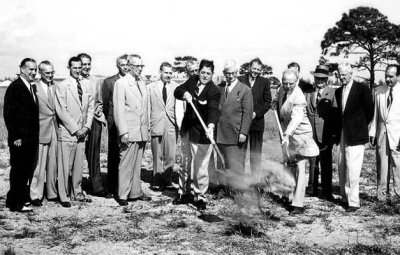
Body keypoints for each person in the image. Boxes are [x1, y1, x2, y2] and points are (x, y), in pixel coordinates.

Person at [173, 59, 221, 210]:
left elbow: (214, 110)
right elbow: (177, 91)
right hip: (187, 130)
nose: (205, 75)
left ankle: (200, 196)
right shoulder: (193, 80)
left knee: (200, 167)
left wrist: (211, 125)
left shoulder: (214, 91)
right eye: (203, 72)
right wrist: (185, 93)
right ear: (199, 72)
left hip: (203, 134)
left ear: (212, 74)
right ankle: (183, 192)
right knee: (184, 163)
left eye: (208, 73)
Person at [272, 69, 319, 215]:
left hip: (300, 135)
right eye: (284, 82)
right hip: (287, 134)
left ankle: (298, 204)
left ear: (296, 81)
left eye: (290, 83)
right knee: (289, 164)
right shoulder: (282, 88)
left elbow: (297, 119)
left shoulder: (299, 97)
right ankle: (288, 196)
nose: (287, 86)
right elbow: (279, 96)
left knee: (300, 167)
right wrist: (274, 102)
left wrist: (287, 134)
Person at [333, 62, 374, 212]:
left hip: (356, 134)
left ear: (351, 74)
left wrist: (360, 126)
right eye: (339, 74)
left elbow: (370, 111)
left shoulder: (362, 89)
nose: (341, 77)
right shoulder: (338, 91)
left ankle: (354, 202)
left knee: (353, 168)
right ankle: (344, 197)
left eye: (344, 74)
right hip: (344, 133)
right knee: (342, 165)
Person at [55, 56, 94, 207]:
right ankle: (64, 196)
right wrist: (76, 129)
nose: (78, 70)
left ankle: (77, 192)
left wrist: (87, 127)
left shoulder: (87, 84)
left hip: (83, 132)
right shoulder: (62, 86)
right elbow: (61, 111)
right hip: (68, 132)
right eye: (75, 68)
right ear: (69, 68)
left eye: (80, 67)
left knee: (78, 165)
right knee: (65, 166)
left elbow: (90, 107)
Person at [113, 54, 151, 206]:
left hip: (141, 131)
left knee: (137, 165)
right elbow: (119, 110)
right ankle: (122, 194)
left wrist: (146, 129)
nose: (140, 69)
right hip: (129, 130)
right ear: (129, 66)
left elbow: (145, 108)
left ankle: (135, 192)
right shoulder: (121, 83)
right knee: (126, 164)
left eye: (142, 66)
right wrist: (123, 132)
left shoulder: (141, 83)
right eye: (137, 66)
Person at [4, 58, 39, 212]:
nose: (33, 72)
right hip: (19, 139)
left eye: (35, 69)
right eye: (30, 69)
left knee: (24, 170)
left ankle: (17, 199)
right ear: (22, 69)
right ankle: (15, 203)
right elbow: (9, 115)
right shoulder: (15, 87)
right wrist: (16, 136)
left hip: (29, 138)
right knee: (18, 170)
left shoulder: (30, 87)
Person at [78, 53, 108, 197]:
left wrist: (98, 109)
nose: (86, 67)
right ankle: (74, 186)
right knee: (75, 154)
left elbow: (100, 101)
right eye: (83, 64)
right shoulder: (73, 81)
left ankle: (96, 186)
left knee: (94, 154)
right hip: (77, 122)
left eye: (88, 64)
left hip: (94, 121)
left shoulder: (97, 81)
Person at [304, 65, 336, 200]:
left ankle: (327, 191)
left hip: (326, 134)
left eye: (322, 79)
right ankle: (312, 188)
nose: (320, 81)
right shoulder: (309, 93)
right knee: (313, 162)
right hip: (311, 135)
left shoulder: (333, 93)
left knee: (326, 162)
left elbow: (335, 114)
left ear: (327, 79)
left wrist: (333, 134)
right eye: (317, 78)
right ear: (314, 78)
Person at [369, 64, 400, 203]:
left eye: (391, 76)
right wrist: (373, 132)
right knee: (382, 163)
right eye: (386, 75)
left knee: (397, 165)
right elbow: (376, 115)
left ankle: (397, 195)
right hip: (382, 133)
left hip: (397, 135)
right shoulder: (379, 91)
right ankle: (382, 195)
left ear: (398, 76)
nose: (387, 79)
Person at [29, 60, 58, 206]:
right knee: (38, 165)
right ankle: (36, 195)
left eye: (52, 72)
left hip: (55, 129)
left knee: (53, 163)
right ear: (40, 73)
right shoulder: (33, 87)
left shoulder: (56, 86)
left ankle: (52, 193)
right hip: (40, 129)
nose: (50, 75)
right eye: (47, 73)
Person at [217, 60, 253, 174]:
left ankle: (236, 190)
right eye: (228, 73)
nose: (231, 75)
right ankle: (223, 188)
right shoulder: (220, 88)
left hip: (235, 133)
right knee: (222, 163)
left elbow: (247, 113)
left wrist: (243, 132)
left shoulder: (245, 89)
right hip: (220, 133)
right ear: (224, 73)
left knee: (235, 164)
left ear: (237, 72)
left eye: (233, 73)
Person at [102, 54, 130, 196]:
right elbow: (106, 105)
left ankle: (126, 186)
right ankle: (111, 187)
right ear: (117, 65)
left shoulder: (134, 81)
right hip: (115, 123)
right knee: (114, 154)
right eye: (122, 64)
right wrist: (112, 119)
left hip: (130, 123)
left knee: (128, 155)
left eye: (127, 64)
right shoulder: (109, 82)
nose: (125, 67)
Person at [147, 62, 179, 190]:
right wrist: (148, 123)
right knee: (157, 153)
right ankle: (156, 179)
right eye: (166, 72)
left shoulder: (176, 87)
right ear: (160, 72)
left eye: (170, 73)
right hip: (156, 123)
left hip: (171, 123)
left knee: (170, 154)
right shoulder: (150, 87)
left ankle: (167, 179)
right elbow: (148, 106)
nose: (168, 75)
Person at [238, 58, 272, 173]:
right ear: (249, 68)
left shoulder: (265, 82)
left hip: (257, 123)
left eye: (258, 69)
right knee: (240, 154)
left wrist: (256, 113)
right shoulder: (240, 80)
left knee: (256, 154)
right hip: (242, 124)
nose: (255, 71)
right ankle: (239, 182)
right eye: (254, 68)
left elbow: (267, 102)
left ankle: (255, 182)